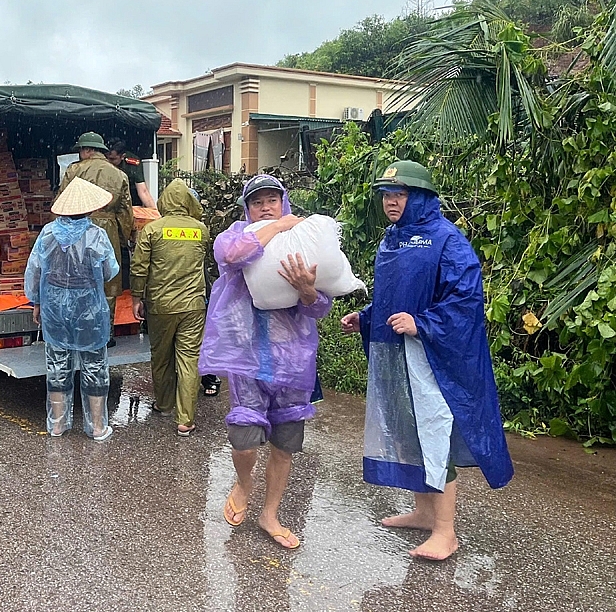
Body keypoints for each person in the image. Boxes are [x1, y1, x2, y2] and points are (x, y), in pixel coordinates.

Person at [340, 160, 513, 561]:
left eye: (399, 194)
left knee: (434, 436)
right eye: (386, 195)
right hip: (394, 354)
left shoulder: (447, 240)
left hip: (430, 357)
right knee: (406, 432)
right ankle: (422, 512)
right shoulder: (393, 238)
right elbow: (395, 294)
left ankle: (446, 532)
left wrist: (423, 324)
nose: (391, 202)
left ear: (420, 197)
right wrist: (365, 317)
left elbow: (466, 299)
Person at [199, 173, 332, 549]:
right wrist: (275, 227)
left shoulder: (302, 240)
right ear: (248, 207)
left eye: (273, 200)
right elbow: (230, 256)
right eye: (258, 202)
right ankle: (244, 482)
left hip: (294, 362)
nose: (266, 206)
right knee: (243, 440)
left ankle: (270, 514)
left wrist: (307, 290)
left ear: (283, 201)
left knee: (285, 443)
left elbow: (321, 305)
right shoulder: (236, 235)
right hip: (248, 359)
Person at [25, 177, 120, 441]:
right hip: (89, 308)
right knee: (94, 365)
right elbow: (110, 270)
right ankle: (98, 426)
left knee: (57, 364)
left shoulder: (47, 234)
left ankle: (57, 424)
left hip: (54, 308)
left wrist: (37, 303)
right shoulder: (96, 236)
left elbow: (34, 271)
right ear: (89, 209)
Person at [130, 179, 209, 435]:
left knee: (162, 357)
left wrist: (136, 298)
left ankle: (164, 404)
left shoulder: (152, 230)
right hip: (193, 305)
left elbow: (139, 267)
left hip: (160, 305)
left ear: (164, 201)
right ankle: (185, 419)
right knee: (189, 359)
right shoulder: (201, 229)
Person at [56, 132, 133, 347]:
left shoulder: (74, 170)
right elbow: (125, 213)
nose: (80, 154)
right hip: (108, 231)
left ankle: (79, 331)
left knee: (78, 280)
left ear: (87, 150)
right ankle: (105, 334)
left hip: (78, 229)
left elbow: (62, 203)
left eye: (81, 150)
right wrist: (123, 237)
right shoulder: (119, 175)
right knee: (108, 284)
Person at [106, 138, 157, 209]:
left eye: (112, 159)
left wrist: (153, 211)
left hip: (129, 196)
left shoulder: (132, 163)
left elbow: (143, 191)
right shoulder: (102, 162)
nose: (108, 162)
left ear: (122, 156)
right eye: (106, 158)